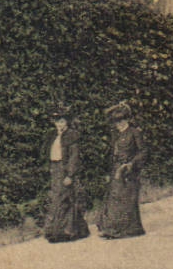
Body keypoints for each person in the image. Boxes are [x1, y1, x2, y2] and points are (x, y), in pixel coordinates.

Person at [97, 102, 146, 239]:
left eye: (121, 120)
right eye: (116, 121)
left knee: (126, 199)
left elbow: (143, 152)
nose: (119, 124)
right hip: (115, 168)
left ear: (127, 119)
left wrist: (131, 164)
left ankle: (127, 229)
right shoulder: (116, 135)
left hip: (128, 171)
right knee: (113, 198)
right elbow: (112, 153)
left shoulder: (135, 133)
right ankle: (111, 229)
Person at [42, 110, 88, 243]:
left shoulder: (72, 136)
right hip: (55, 169)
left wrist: (70, 175)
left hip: (65, 169)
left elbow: (74, 157)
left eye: (62, 121)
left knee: (64, 199)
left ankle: (66, 231)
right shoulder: (53, 136)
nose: (59, 124)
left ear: (67, 122)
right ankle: (61, 230)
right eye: (57, 121)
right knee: (56, 199)